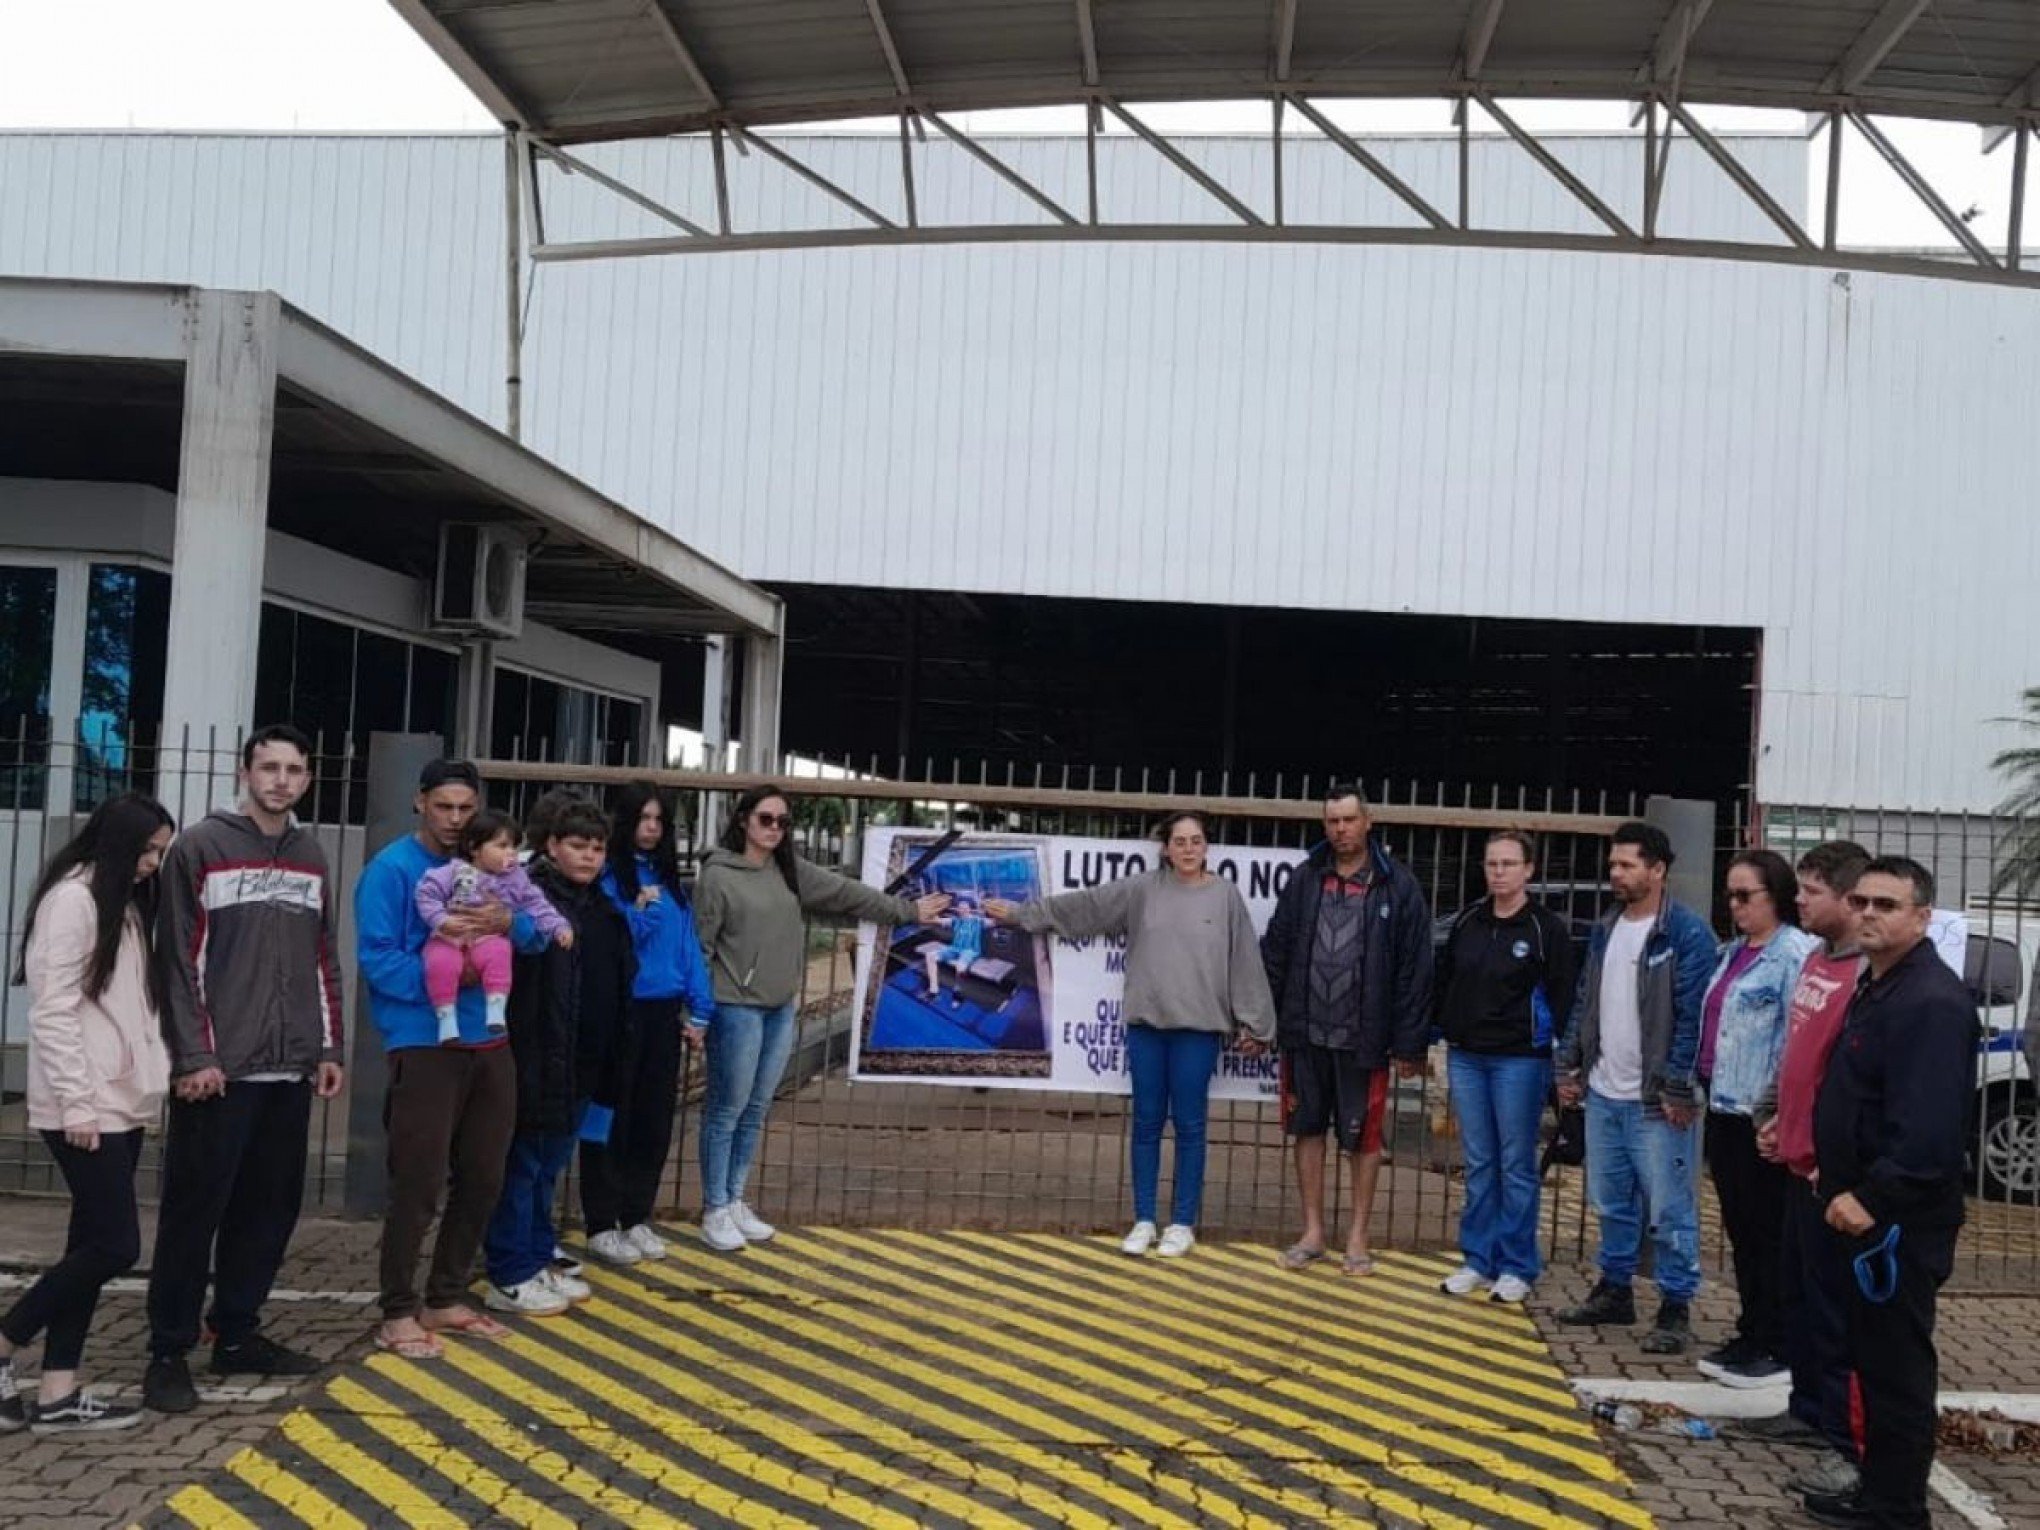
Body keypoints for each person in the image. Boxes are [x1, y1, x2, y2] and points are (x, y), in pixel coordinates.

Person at [144, 725, 344, 1414]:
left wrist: (327, 1047)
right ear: (245, 770)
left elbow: (324, 958)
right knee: (194, 1212)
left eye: (293, 769)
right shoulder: (201, 845)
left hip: (288, 1072)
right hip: (218, 1074)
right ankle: (168, 1350)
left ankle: (237, 1333)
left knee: (268, 1211)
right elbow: (177, 960)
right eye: (269, 767)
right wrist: (194, 1056)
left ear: (307, 779)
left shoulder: (312, 855)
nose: (280, 780)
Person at [987, 811, 1276, 1258]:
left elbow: (1244, 961)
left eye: (1195, 841)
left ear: (1207, 847)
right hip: (1147, 1025)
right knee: (1144, 1123)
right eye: (1179, 841)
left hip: (1198, 1030)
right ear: (1165, 848)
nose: (1187, 849)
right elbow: (1086, 907)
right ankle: (1144, 1219)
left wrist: (1257, 1023)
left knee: (1190, 1125)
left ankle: (1182, 1223)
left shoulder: (1225, 896)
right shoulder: (1142, 890)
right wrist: (1024, 914)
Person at [693, 784, 949, 1252]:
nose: (774, 829)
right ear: (744, 819)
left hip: (778, 1005)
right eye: (766, 819)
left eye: (783, 822)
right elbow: (701, 947)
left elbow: (847, 894)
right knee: (726, 1109)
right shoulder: (718, 875)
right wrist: (696, 1011)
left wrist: (908, 911)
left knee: (756, 1107)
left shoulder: (789, 870)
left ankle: (734, 1199)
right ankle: (713, 1207)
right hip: (736, 1006)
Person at [1803, 856, 1977, 1530]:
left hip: (1897, 1224)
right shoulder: (1880, 985)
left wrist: (1871, 1196)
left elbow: (1929, 1134)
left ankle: (1897, 1510)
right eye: (1863, 901)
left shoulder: (1930, 1002)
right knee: (1869, 1364)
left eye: (1888, 904)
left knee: (1898, 1371)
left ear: (1922, 917)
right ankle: (1877, 1490)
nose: (1870, 913)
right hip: (1856, 1209)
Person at [357, 758, 550, 1359]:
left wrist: (509, 923)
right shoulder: (391, 870)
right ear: (420, 803)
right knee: (417, 1180)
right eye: (444, 806)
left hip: (491, 1042)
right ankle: (396, 1309)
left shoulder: (496, 865)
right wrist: (456, 974)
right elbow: (378, 959)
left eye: (466, 809)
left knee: (485, 1174)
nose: (455, 819)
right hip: (424, 1039)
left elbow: (538, 934)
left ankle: (445, 1293)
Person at [1, 794, 175, 1434]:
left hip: (116, 1101)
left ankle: (57, 1392)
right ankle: (5, 1341)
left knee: (89, 1243)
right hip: (84, 1105)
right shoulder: (73, 901)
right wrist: (77, 1100)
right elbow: (51, 1010)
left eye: (160, 852)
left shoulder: (120, 903)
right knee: (116, 1244)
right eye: (147, 849)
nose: (152, 864)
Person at [1732, 842, 1871, 1505]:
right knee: (1799, 1295)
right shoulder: (1817, 960)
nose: (1801, 900)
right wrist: (1771, 1114)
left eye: (1813, 890)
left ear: (1847, 899)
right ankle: (1806, 1406)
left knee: (1834, 1311)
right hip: (1791, 1156)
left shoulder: (1864, 976)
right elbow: (1795, 1051)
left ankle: (1843, 1437)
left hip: (1831, 1171)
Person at [1554, 820, 1717, 1354]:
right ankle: (1615, 1288)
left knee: (1670, 1208)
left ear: (1657, 870)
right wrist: (1573, 1066)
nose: (1615, 875)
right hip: (1605, 1091)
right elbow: (1586, 999)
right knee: (1610, 1200)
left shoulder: (1687, 934)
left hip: (1655, 1100)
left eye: (1626, 865)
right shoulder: (1606, 928)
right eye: (1613, 865)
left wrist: (1677, 1087)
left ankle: (1675, 1305)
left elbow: (1693, 1017)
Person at [1261, 784, 1433, 1277]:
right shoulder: (1305, 879)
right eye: (1332, 821)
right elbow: (1277, 950)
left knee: (1365, 1140)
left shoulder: (1398, 886)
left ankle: (1358, 1236)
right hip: (1305, 1033)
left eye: (1348, 820)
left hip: (1366, 1041)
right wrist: (1266, 1020)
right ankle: (1313, 1232)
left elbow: (1415, 970)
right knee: (1307, 1130)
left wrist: (1409, 1042)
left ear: (1368, 822)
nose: (1341, 829)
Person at [484, 799, 636, 1314]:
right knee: (522, 1165)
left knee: (548, 1165)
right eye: (577, 845)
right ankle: (509, 1269)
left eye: (597, 848)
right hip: (536, 1053)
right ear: (551, 845)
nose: (589, 856)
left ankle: (535, 1254)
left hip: (582, 1061)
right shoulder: (530, 900)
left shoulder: (603, 910)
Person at [1434, 830, 1576, 1304]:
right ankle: (1478, 1258)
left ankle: (1517, 1263)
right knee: (1479, 1162)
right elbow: (1445, 979)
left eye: (1509, 864)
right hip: (1468, 1056)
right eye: (1492, 863)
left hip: (1519, 1060)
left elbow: (1562, 994)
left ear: (1529, 870)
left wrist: (1558, 1058)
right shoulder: (1468, 921)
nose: (1499, 872)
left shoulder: (1545, 929)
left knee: (1516, 1163)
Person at [1695, 849, 1816, 1387]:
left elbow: (1798, 1041)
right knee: (1743, 1231)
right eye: (1731, 896)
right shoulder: (1734, 952)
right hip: (1722, 1107)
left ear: (1778, 895)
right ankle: (1754, 1327)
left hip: (1759, 1116)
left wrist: (1779, 1115)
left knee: (1769, 1232)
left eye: (1747, 896)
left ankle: (1779, 1339)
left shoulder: (1795, 955)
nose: (1736, 905)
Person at [581, 783, 715, 1266]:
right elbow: (613, 945)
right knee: (610, 1116)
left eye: (659, 821)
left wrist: (701, 1008)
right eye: (643, 819)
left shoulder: (670, 882)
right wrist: (638, 911)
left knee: (653, 1120)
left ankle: (637, 1215)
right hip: (621, 1010)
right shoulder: (608, 879)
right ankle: (601, 1221)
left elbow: (688, 948)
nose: (652, 828)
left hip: (664, 1011)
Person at [416, 809, 575, 1043]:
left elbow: (538, 904)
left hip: (486, 939)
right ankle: (446, 1017)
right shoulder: (453, 872)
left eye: (513, 847)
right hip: (450, 936)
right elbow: (426, 894)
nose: (510, 854)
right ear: (474, 848)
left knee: (499, 951)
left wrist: (559, 926)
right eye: (501, 846)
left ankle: (496, 1008)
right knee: (440, 961)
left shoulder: (517, 879)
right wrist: (441, 919)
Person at [921, 894, 986, 1008]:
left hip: (970, 950)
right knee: (930, 956)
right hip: (954, 948)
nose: (962, 909)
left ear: (970, 908)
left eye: (965, 907)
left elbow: (996, 922)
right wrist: (933, 909)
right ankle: (934, 991)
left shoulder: (978, 921)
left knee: (960, 966)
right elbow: (936, 920)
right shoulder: (955, 920)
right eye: (960, 907)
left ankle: (958, 994)